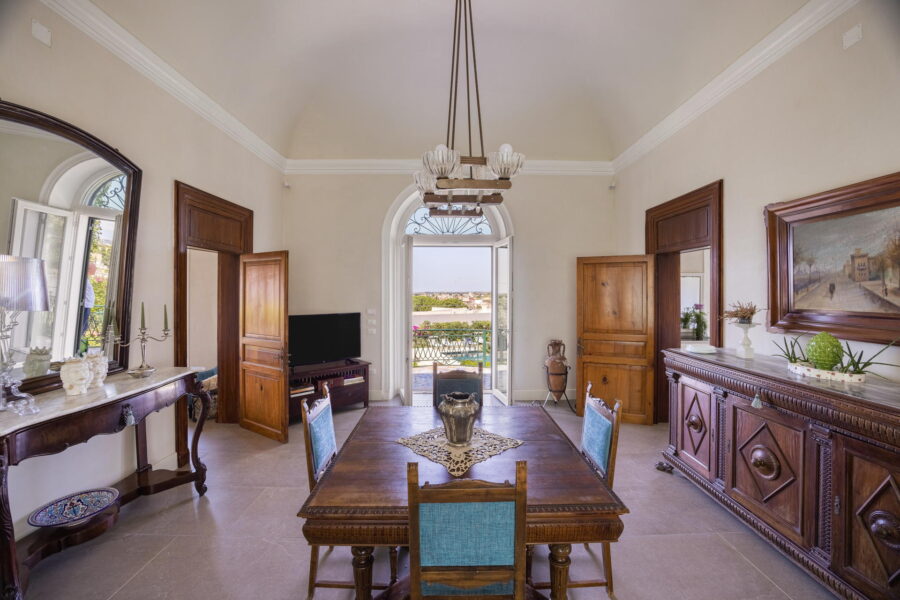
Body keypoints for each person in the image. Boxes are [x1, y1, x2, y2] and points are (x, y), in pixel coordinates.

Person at [79, 262, 97, 341]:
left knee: (84, 326)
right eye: (94, 268)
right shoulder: (83, 278)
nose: (95, 270)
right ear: (89, 269)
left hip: (87, 305)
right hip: (85, 305)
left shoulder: (86, 278)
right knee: (82, 326)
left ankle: (79, 341)